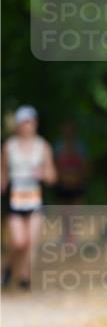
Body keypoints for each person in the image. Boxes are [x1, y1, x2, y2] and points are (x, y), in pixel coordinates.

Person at [1, 105, 58, 290]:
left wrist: (42, 173)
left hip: (34, 201)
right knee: (18, 241)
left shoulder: (43, 146)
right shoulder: (9, 147)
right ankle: (9, 268)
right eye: (23, 122)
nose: (27, 126)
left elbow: (52, 176)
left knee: (30, 242)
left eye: (30, 122)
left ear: (35, 123)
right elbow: (3, 174)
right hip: (15, 201)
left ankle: (25, 280)